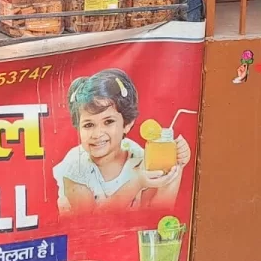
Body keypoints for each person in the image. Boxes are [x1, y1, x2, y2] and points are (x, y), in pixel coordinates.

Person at [52, 69, 191, 214]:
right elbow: (90, 223)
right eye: (88, 125)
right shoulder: (75, 165)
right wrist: (136, 183)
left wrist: (176, 167)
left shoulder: (138, 157)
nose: (97, 134)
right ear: (78, 127)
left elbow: (157, 212)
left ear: (127, 124)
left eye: (108, 122)